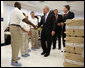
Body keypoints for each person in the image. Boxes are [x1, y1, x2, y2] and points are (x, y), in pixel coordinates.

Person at [10, 2, 36, 66]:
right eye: (20, 5)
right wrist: (33, 25)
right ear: (17, 5)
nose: (21, 7)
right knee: (16, 44)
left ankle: (14, 57)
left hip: (13, 27)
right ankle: (14, 61)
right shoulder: (17, 10)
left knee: (14, 44)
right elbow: (25, 20)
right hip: (15, 27)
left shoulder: (13, 11)